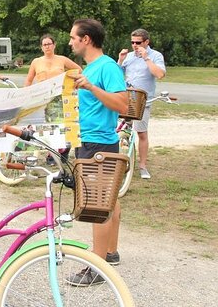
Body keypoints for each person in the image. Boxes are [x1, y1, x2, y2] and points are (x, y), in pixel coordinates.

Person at [67, 19, 128, 286]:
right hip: (90, 140)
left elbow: (122, 104)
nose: (70, 42)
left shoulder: (107, 67)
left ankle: (98, 266)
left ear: (86, 39)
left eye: (73, 38)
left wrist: (91, 87)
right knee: (110, 199)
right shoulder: (91, 67)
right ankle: (110, 252)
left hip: (98, 144)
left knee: (97, 205)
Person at [117, 28, 166, 179]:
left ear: (146, 42)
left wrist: (146, 58)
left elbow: (160, 74)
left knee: (141, 133)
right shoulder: (129, 56)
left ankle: (143, 166)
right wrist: (119, 60)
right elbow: (116, 74)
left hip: (143, 100)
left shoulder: (155, 55)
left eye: (138, 42)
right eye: (132, 42)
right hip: (126, 98)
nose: (135, 45)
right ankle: (121, 161)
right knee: (121, 131)